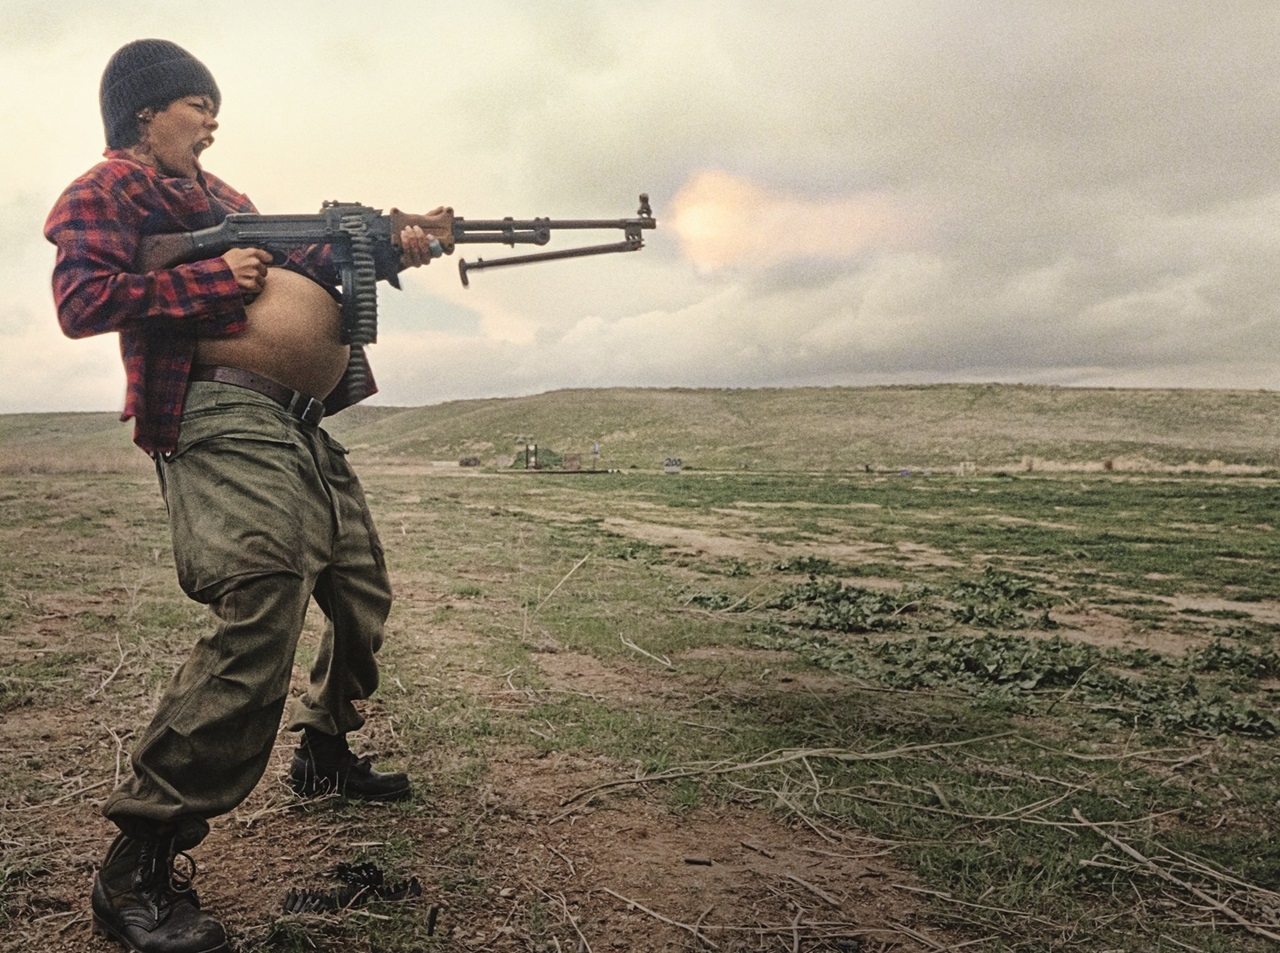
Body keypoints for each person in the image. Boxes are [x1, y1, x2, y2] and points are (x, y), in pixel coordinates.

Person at [43, 39, 440, 953]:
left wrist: (394, 244)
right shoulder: (108, 188)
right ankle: (138, 861)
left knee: (361, 593)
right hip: (219, 414)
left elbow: (312, 267)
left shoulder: (230, 203)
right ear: (145, 114)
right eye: (197, 105)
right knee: (263, 594)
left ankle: (325, 751)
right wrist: (207, 281)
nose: (213, 121)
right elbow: (81, 297)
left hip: (301, 422)